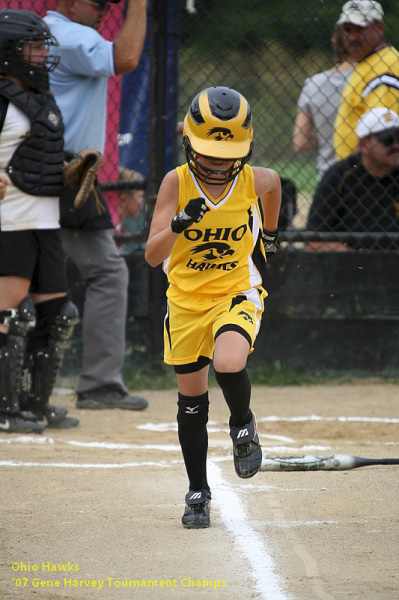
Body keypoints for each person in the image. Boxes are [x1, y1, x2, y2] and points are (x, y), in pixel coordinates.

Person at [145, 87, 281, 528]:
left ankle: (243, 425)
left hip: (234, 290)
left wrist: (272, 235)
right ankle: (198, 492)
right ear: (189, 142)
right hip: (185, 301)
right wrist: (179, 224)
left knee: (228, 361)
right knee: (191, 400)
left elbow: (275, 183)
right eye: (209, 153)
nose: (220, 163)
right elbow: (151, 255)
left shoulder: (251, 181)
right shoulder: (176, 182)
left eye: (229, 154)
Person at [44, 0, 148, 411]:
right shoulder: (72, 36)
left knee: (44, 276)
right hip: (62, 171)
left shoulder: (48, 34)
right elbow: (126, 56)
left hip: (59, 168)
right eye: (97, 2)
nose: (107, 8)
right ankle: (98, 383)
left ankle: (91, 383)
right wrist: (139, 4)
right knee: (102, 272)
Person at [0, 9, 79, 433]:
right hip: (9, 221)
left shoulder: (39, 98)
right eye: (32, 48)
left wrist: (66, 170)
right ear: (7, 53)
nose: (40, 56)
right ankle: (3, 408)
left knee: (57, 314)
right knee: (10, 315)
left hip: (45, 221)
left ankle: (34, 405)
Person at [307, 107, 399, 251]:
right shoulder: (339, 176)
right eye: (388, 140)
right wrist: (354, 258)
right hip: (350, 267)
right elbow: (313, 242)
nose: (396, 145)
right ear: (364, 144)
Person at [334, 0, 399, 160]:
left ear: (379, 28)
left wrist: (361, 174)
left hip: (370, 173)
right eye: (347, 30)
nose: (352, 37)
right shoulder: (369, 63)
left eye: (359, 29)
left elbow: (381, 133)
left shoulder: (385, 66)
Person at [293, 28, 356, 179]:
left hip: (329, 177)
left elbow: (300, 142)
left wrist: (329, 137)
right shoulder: (376, 79)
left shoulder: (314, 83)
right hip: (368, 177)